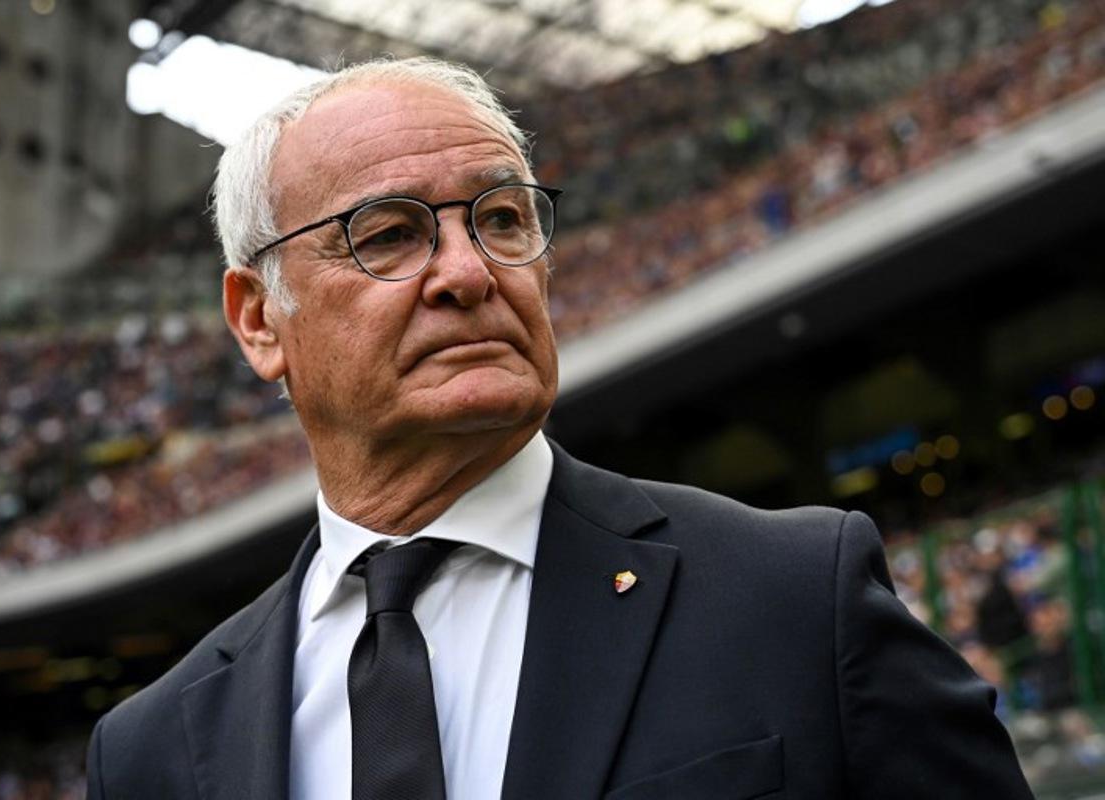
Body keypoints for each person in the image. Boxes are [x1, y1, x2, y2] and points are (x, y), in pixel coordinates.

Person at [86, 57, 1034, 799]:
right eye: (389, 235)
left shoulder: (794, 598)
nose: (468, 271)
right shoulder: (151, 748)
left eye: (500, 217)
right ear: (259, 319)